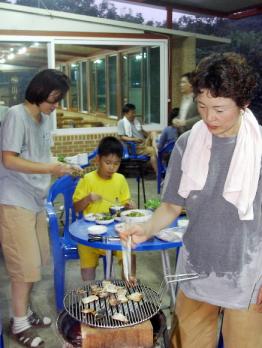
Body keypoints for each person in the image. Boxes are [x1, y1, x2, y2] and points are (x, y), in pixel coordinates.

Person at [118, 52, 262, 348]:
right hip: (195, 270)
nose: (209, 118)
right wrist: (145, 229)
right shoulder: (188, 143)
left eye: (220, 109)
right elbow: (172, 205)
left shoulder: (258, 148)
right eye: (202, 106)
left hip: (248, 277)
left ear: (243, 103)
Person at [0, 69, 79, 347]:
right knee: (24, 266)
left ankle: (24, 311)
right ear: (39, 91)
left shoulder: (44, 120)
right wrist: (50, 167)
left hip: (35, 200)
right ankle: (18, 323)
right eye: (53, 98)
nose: (55, 105)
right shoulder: (15, 115)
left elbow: (42, 157)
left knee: (35, 264)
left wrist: (64, 165)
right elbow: (9, 160)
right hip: (13, 200)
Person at [73, 136, 136, 281]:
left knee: (128, 251)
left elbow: (126, 206)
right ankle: (91, 292)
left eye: (116, 163)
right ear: (97, 159)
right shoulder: (87, 179)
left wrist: (129, 206)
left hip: (115, 234)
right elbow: (76, 208)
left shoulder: (120, 179)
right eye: (107, 162)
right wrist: (88, 198)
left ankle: (129, 289)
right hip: (93, 235)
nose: (112, 167)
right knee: (87, 251)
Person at [117, 103, 158, 173]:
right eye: (132, 113)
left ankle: (156, 148)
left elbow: (142, 132)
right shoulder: (121, 122)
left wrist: (149, 134)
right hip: (135, 147)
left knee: (154, 132)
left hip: (143, 143)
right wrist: (134, 139)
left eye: (134, 112)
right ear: (126, 113)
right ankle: (158, 173)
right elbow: (122, 137)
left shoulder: (137, 121)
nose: (134, 114)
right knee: (153, 151)